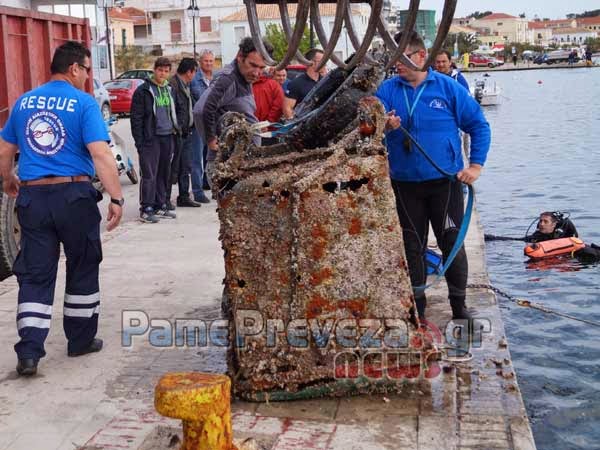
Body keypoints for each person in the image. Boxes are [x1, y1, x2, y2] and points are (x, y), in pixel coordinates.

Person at [0, 41, 124, 376]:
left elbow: (4, 148)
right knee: (83, 264)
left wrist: (8, 178)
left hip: (33, 198)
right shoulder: (83, 104)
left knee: (35, 273)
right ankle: (80, 340)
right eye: (86, 69)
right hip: (73, 195)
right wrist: (116, 197)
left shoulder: (24, 102)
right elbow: (100, 154)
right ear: (74, 68)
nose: (87, 76)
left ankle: (29, 352)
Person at [376, 30, 491, 321]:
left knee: (451, 242)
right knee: (412, 248)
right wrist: (383, 126)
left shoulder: (448, 88)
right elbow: (366, 126)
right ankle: (419, 312)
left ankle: (459, 307)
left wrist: (475, 166)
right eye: (394, 59)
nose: (397, 65)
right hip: (404, 185)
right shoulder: (388, 90)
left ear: (421, 56)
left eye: (402, 58)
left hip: (445, 184)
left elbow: (478, 125)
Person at [193, 37, 270, 188]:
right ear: (240, 57)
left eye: (261, 68)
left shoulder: (244, 78)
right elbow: (201, 110)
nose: (257, 73)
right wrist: (210, 139)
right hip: (229, 168)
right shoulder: (228, 79)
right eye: (253, 65)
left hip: (243, 164)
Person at [130, 57, 178, 222]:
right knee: (149, 174)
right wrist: (139, 143)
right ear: (154, 70)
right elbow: (136, 119)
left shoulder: (169, 89)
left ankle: (160, 205)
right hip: (150, 139)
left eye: (166, 71)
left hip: (167, 136)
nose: (163, 74)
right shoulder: (143, 91)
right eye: (160, 70)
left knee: (164, 173)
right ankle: (146, 208)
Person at [167, 57, 202, 208]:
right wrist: (178, 129)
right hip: (177, 134)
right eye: (195, 72)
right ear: (189, 72)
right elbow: (172, 111)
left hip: (187, 132)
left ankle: (184, 196)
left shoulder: (185, 85)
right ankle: (165, 199)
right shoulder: (173, 85)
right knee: (172, 168)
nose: (194, 75)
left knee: (185, 167)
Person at [190, 49, 215, 201]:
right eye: (206, 61)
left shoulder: (217, 77)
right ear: (200, 62)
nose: (209, 64)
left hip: (212, 123)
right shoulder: (194, 79)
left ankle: (208, 184)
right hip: (198, 123)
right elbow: (197, 100)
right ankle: (197, 191)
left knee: (210, 155)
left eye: (211, 61)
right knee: (197, 158)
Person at [282, 49, 327, 119]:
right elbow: (287, 108)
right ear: (311, 62)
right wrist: (296, 125)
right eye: (322, 61)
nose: (325, 63)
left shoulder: (325, 81)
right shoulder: (296, 83)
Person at [252, 68, 284, 145]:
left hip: (252, 130)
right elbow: (278, 107)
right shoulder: (274, 85)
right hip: (267, 131)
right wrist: (268, 124)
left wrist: (267, 124)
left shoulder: (244, 85)